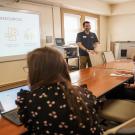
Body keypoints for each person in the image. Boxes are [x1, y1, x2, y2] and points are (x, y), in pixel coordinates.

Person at [16, 47, 103, 135]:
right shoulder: (83, 92)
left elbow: (29, 126)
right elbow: (96, 109)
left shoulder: (28, 101)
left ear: (35, 72)